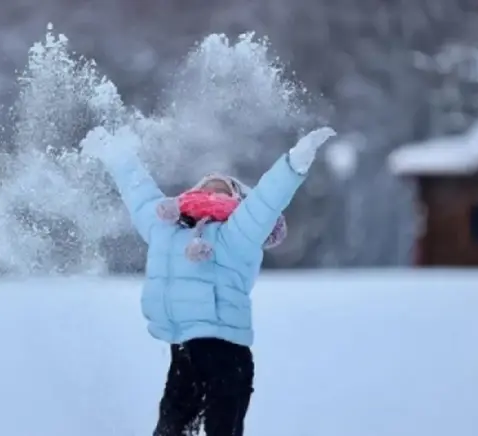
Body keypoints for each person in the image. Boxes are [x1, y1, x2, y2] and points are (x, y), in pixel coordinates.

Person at [80, 125, 336, 436]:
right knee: (170, 429)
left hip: (227, 355)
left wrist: (295, 162)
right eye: (207, 187)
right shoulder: (166, 229)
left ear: (237, 202)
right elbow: (139, 192)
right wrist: (115, 152)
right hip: (184, 351)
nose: (213, 191)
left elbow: (267, 199)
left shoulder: (237, 234)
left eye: (223, 189)